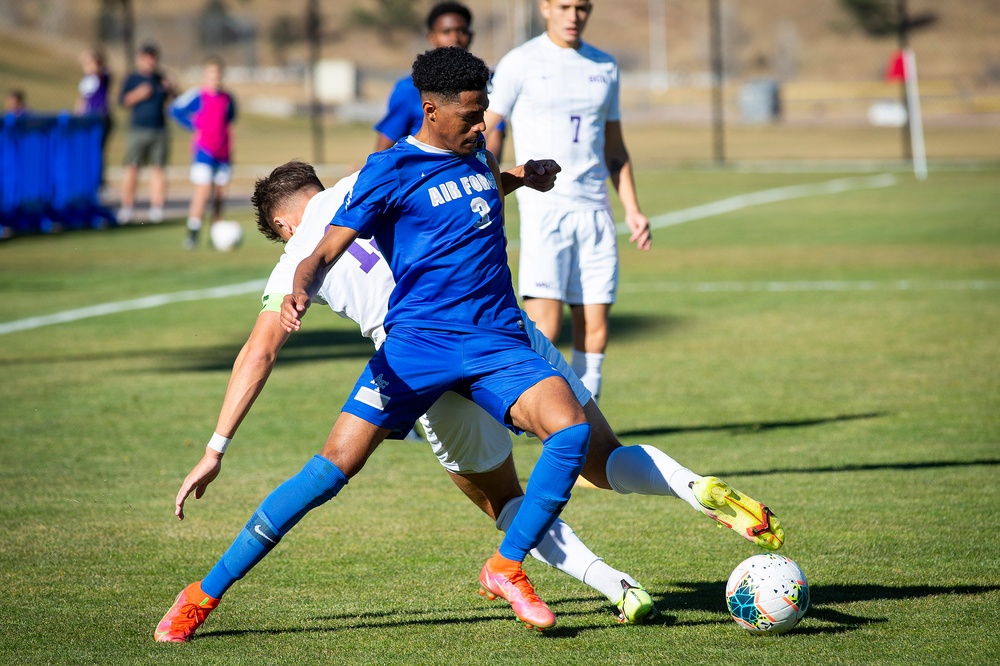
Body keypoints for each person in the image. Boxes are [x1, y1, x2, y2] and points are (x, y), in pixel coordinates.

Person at [154, 158, 785, 643]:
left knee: (446, 489)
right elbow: (465, 188)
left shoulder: (295, 255)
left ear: (284, 223)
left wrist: (216, 448)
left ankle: (614, 585)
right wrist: (521, 176)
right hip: (500, 327)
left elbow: (257, 354)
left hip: (418, 359)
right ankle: (688, 484)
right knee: (600, 458)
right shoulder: (378, 173)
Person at [485, 0, 652, 404]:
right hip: (546, 211)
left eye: (582, 7)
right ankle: (528, 410)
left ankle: (586, 433)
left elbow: (614, 145)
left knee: (594, 330)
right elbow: (489, 130)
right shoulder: (519, 63)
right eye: (564, 6)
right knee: (545, 327)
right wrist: (489, 187)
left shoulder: (604, 66)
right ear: (544, 7)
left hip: (595, 211)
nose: (573, 15)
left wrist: (631, 207)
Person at [374, 2, 505, 159]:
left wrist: (486, 174)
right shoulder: (409, 88)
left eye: (461, 31)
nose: (454, 38)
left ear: (470, 36)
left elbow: (494, 135)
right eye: (446, 31)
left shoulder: (485, 86)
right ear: (432, 37)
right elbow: (385, 146)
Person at [169, 55, 238, 250]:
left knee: (220, 194)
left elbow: (229, 123)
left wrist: (231, 148)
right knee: (203, 190)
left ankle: (217, 232)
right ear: (205, 75)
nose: (214, 78)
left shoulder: (227, 98)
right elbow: (174, 110)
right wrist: (193, 126)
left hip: (222, 152)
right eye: (210, 74)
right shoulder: (197, 96)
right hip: (204, 151)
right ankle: (193, 231)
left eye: (217, 74)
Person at [118, 43, 175, 224]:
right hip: (138, 129)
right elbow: (123, 101)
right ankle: (127, 207)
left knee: (158, 169)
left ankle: (157, 208)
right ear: (140, 58)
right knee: (132, 167)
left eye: (153, 57)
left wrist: (172, 88)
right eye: (146, 57)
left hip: (159, 129)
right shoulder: (133, 78)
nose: (150, 60)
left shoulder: (161, 78)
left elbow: (176, 101)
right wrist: (139, 94)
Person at [75, 47, 113, 185]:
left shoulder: (103, 74)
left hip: (100, 117)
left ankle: (99, 182)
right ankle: (88, 180)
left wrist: (90, 60)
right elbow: (84, 97)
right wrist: (78, 113)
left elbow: (97, 71)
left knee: (97, 150)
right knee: (86, 150)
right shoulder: (86, 77)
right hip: (87, 118)